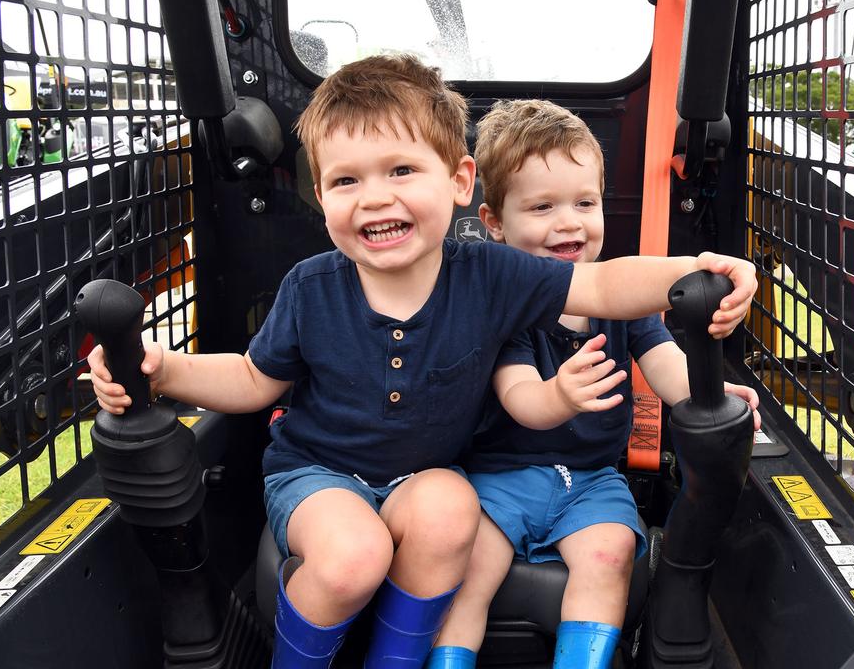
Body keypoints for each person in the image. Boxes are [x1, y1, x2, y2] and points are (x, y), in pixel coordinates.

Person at [86, 56, 758, 669]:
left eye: (401, 171)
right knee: (356, 555)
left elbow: (606, 287)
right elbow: (254, 380)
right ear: (322, 201)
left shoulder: (492, 276)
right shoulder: (311, 288)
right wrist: (164, 370)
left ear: (460, 182)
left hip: (424, 480)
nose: (376, 198)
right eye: (347, 181)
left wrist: (702, 270)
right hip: (320, 474)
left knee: (451, 507)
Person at [427, 100, 761, 669]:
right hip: (499, 480)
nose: (569, 222)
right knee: (467, 566)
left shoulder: (624, 305)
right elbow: (520, 396)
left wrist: (710, 399)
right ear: (495, 223)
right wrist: (560, 395)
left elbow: (663, 363)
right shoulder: (503, 305)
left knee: (610, 553)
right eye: (542, 206)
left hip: (591, 483)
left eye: (585, 202)